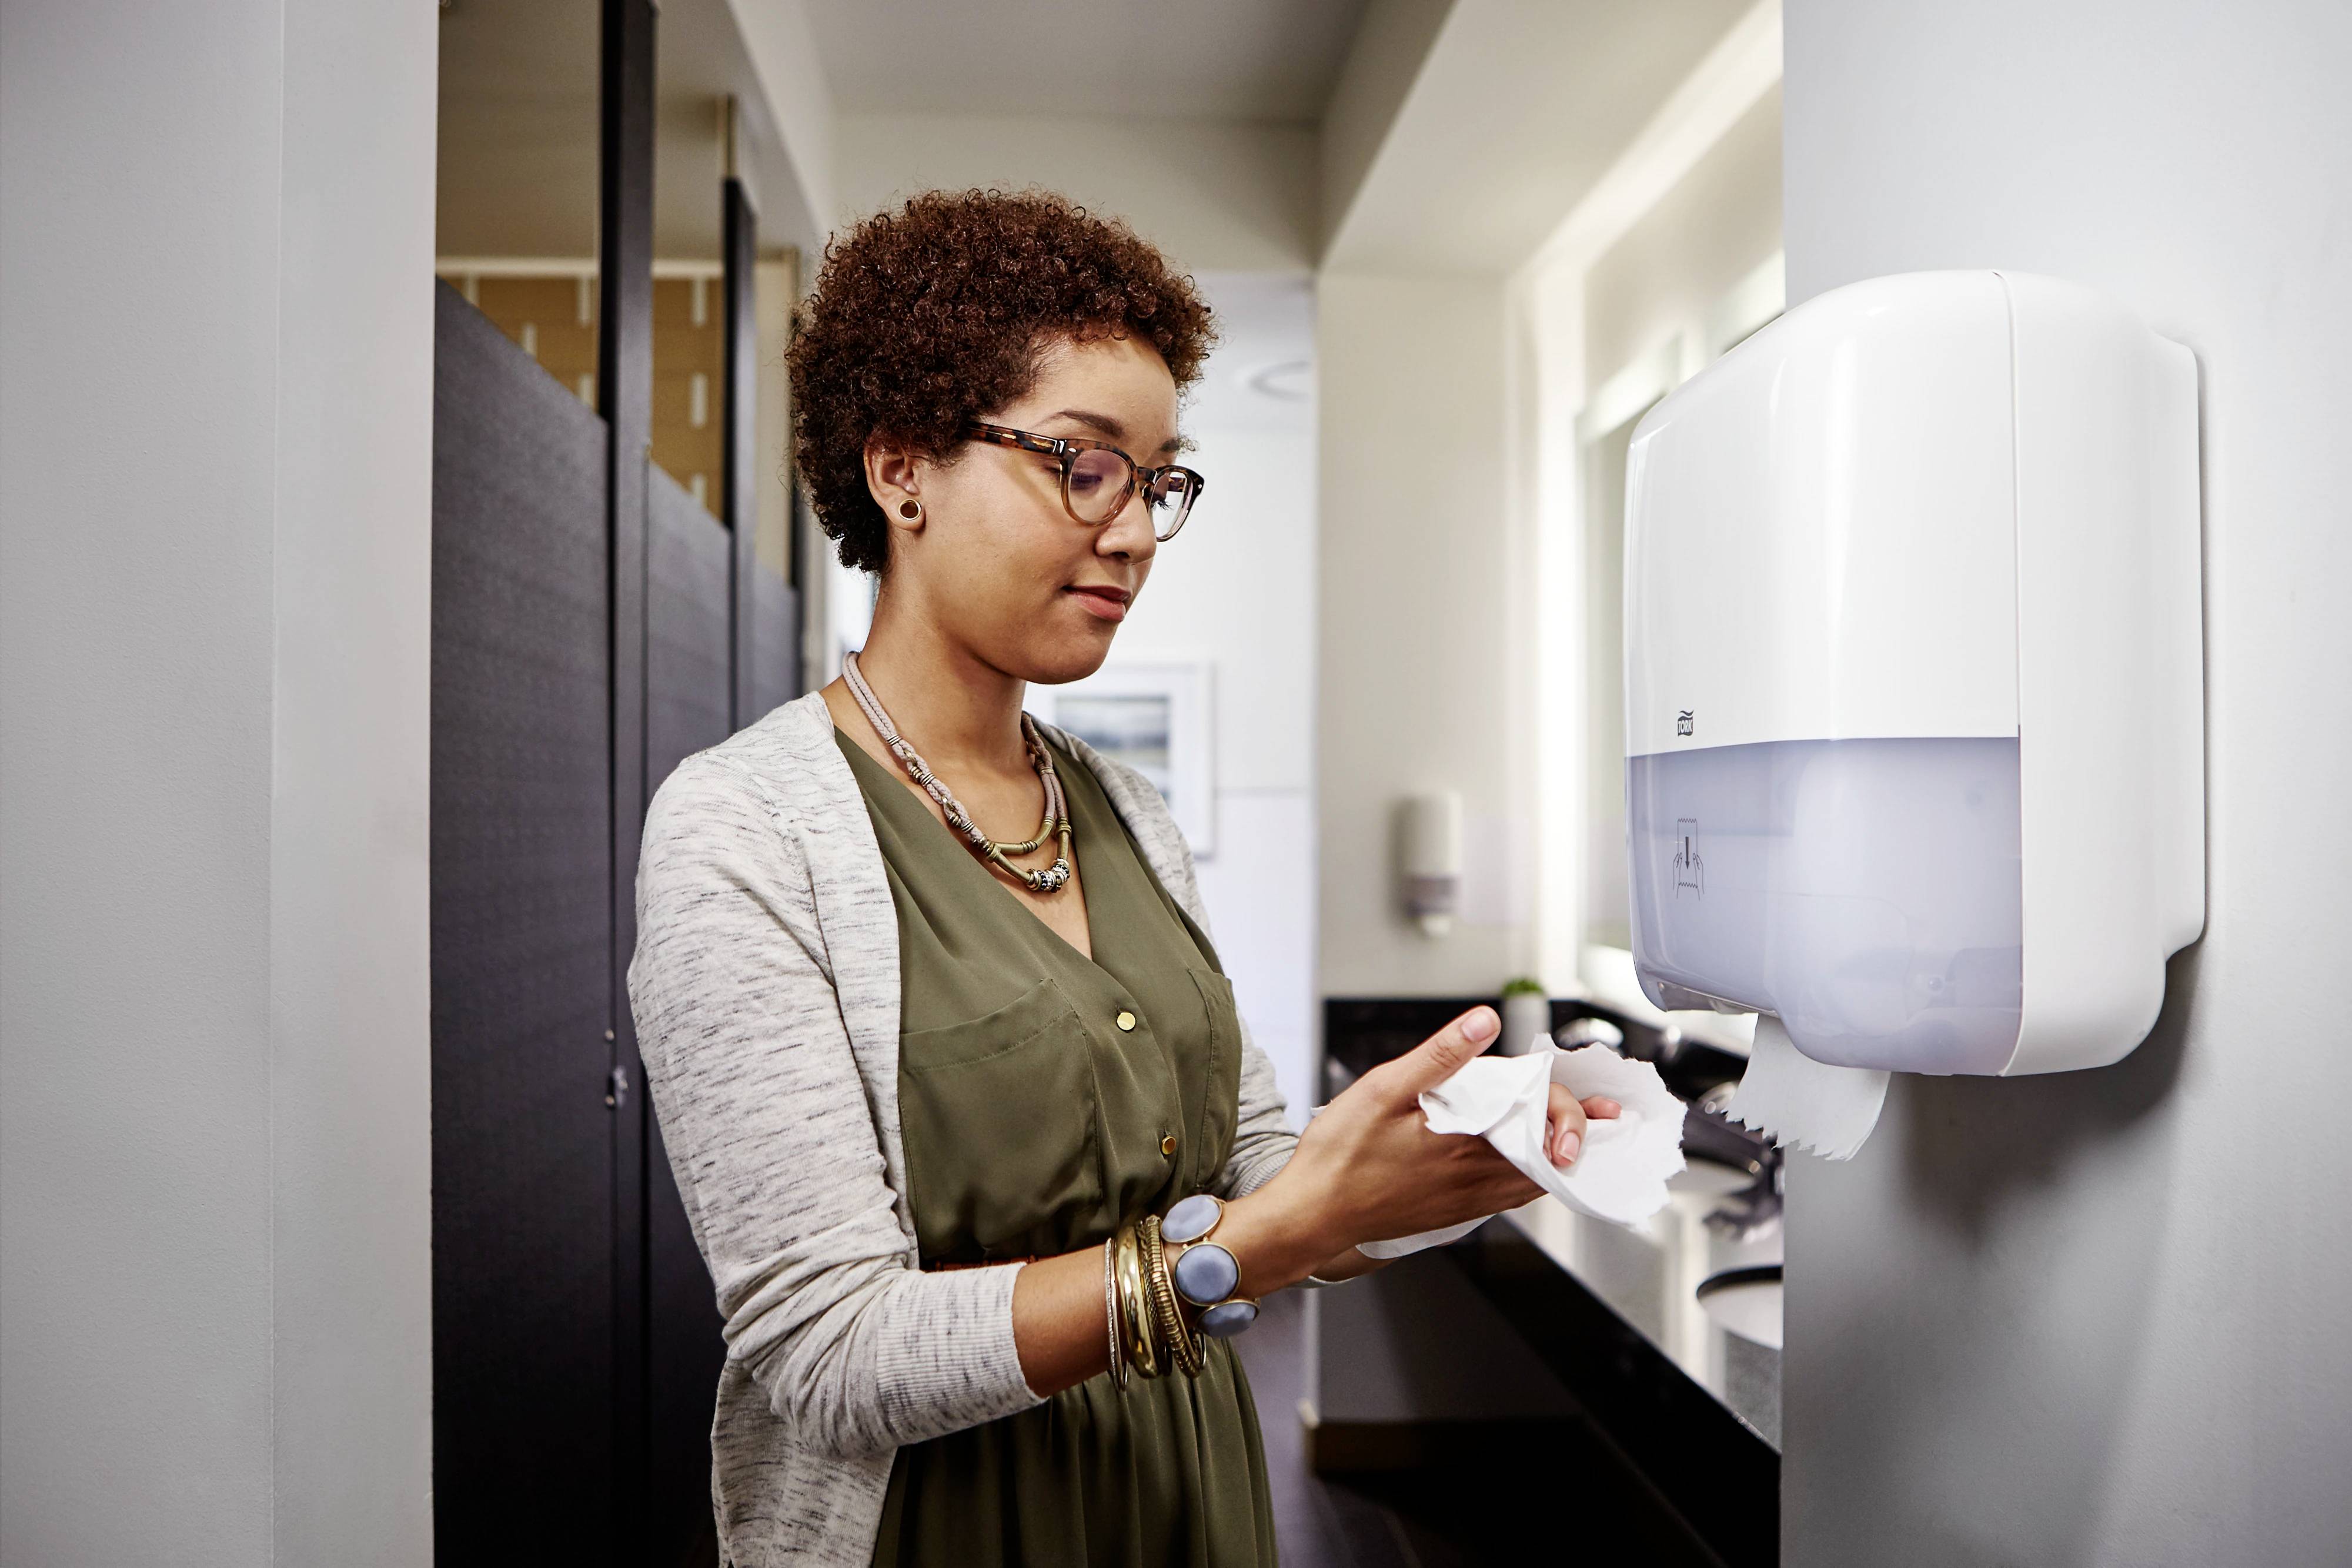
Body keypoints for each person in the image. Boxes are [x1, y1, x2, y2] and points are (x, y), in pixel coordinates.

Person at [629, 188, 1619, 1567]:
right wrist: (1242, 1252)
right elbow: (829, 1349)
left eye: (1158, 480)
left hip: (1191, 1509)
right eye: (1083, 465)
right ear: (901, 465)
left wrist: (1436, 1162)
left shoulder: (1126, 811)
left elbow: (1259, 1176)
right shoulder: (743, 827)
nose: (1138, 530)